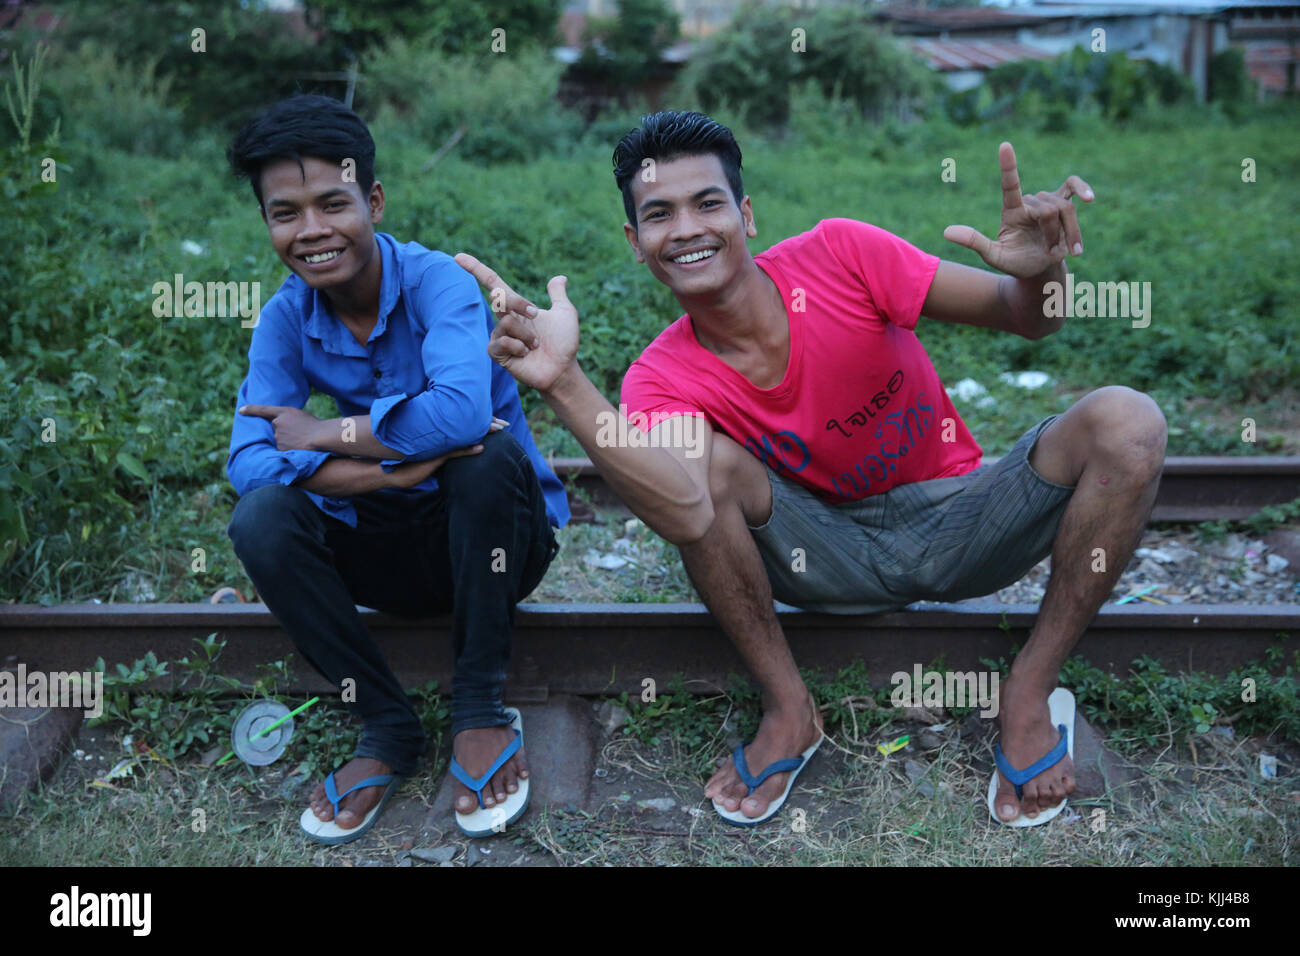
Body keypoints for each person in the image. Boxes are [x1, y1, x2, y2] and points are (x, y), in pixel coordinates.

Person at [456, 110, 1165, 828]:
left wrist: (1041, 270)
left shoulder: (841, 254)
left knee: (1128, 420)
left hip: (962, 521)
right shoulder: (659, 378)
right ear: (637, 243)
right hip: (824, 556)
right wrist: (565, 382)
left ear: (747, 214)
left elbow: (1026, 317)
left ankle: (1029, 691)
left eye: (708, 203)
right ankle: (791, 710)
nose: (689, 228)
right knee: (699, 466)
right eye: (659, 214)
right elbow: (684, 512)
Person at [223, 94, 568, 843]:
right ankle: (387, 726)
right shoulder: (285, 316)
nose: (311, 231)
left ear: (373, 200)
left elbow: (462, 419)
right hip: (383, 548)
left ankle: (478, 707)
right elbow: (249, 461)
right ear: (267, 224)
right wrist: (391, 473)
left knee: (485, 462)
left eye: (332, 204)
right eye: (286, 213)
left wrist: (321, 432)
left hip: (496, 545)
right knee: (261, 519)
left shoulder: (436, 281)